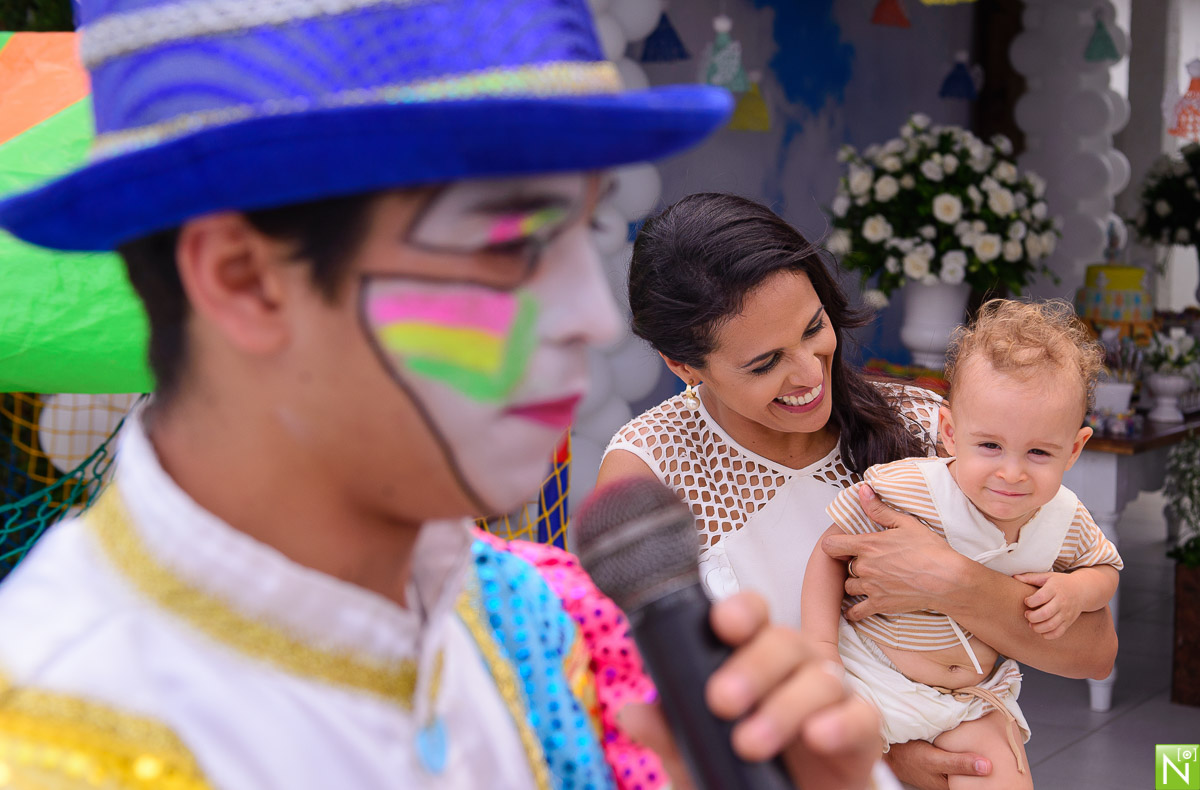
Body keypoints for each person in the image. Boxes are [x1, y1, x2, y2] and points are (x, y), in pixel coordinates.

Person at [0, 2, 886, 789]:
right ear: (245, 280)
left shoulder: (545, 621)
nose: (589, 315)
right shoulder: (55, 736)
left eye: (587, 228)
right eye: (509, 246)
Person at [598, 194, 1119, 790]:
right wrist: (873, 762)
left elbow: (1094, 651)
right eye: (766, 362)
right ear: (684, 365)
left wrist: (956, 582)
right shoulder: (651, 474)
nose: (809, 372)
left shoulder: (929, 429)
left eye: (813, 327)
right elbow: (637, 723)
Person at [802, 299, 1123, 789]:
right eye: (989, 446)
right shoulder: (915, 488)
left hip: (967, 701)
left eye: (1039, 452)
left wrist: (1078, 592)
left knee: (1001, 775)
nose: (1010, 472)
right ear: (950, 433)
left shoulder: (1065, 517)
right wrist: (821, 650)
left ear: (1074, 449)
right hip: (872, 679)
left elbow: (1104, 570)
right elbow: (830, 552)